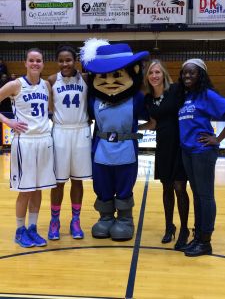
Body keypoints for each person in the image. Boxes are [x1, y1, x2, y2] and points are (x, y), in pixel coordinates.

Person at [80, 39, 149, 241]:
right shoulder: (93, 99)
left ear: (133, 71)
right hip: (101, 149)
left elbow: (155, 116)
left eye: (117, 74)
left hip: (126, 148)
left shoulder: (136, 99)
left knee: (125, 183)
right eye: (103, 75)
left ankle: (125, 219)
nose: (110, 81)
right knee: (102, 184)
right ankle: (106, 217)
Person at [0, 48, 56, 248]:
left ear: (42, 64)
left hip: (44, 141)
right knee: (25, 190)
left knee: (39, 188)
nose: (34, 63)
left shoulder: (46, 86)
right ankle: (19, 230)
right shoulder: (16, 84)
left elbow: (49, 111)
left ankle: (32, 228)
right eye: (31, 60)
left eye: (38, 60)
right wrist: (9, 122)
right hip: (25, 142)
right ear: (25, 63)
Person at [140, 59, 190, 250]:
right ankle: (170, 227)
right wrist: (134, 129)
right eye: (151, 73)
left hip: (179, 145)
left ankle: (184, 229)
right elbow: (153, 123)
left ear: (164, 74)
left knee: (179, 187)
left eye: (157, 72)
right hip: (162, 146)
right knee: (167, 188)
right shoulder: (148, 98)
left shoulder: (176, 90)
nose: (154, 76)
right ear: (147, 77)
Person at [178, 58, 225, 257]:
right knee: (197, 195)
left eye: (192, 73)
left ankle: (206, 241)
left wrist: (218, 139)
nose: (187, 76)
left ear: (201, 75)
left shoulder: (207, 95)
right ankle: (198, 237)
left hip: (202, 151)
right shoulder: (187, 96)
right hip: (187, 151)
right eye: (184, 73)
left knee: (205, 196)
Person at [47, 44, 92, 240]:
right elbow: (49, 109)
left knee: (77, 179)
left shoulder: (86, 78)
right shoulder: (50, 80)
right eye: (61, 60)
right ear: (57, 62)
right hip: (60, 132)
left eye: (68, 60)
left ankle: (76, 220)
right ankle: (54, 221)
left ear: (75, 61)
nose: (65, 63)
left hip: (81, 131)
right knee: (58, 182)